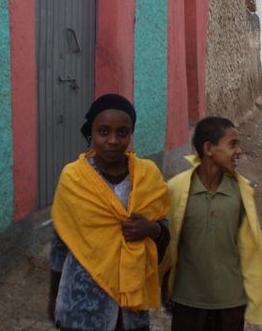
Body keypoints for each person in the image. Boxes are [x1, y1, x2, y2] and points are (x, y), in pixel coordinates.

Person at [48, 94, 171, 331]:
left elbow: (164, 231)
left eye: (122, 132)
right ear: (91, 133)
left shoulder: (147, 176)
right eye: (104, 131)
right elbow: (60, 240)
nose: (113, 140)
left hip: (131, 306)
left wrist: (152, 229)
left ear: (130, 134)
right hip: (82, 298)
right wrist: (54, 297)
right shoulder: (73, 178)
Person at [159, 117, 262, 330]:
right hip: (187, 300)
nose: (239, 151)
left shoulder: (241, 193)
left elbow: (250, 249)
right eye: (232, 144)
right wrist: (166, 288)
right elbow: (170, 244)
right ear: (209, 149)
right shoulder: (177, 190)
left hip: (231, 302)